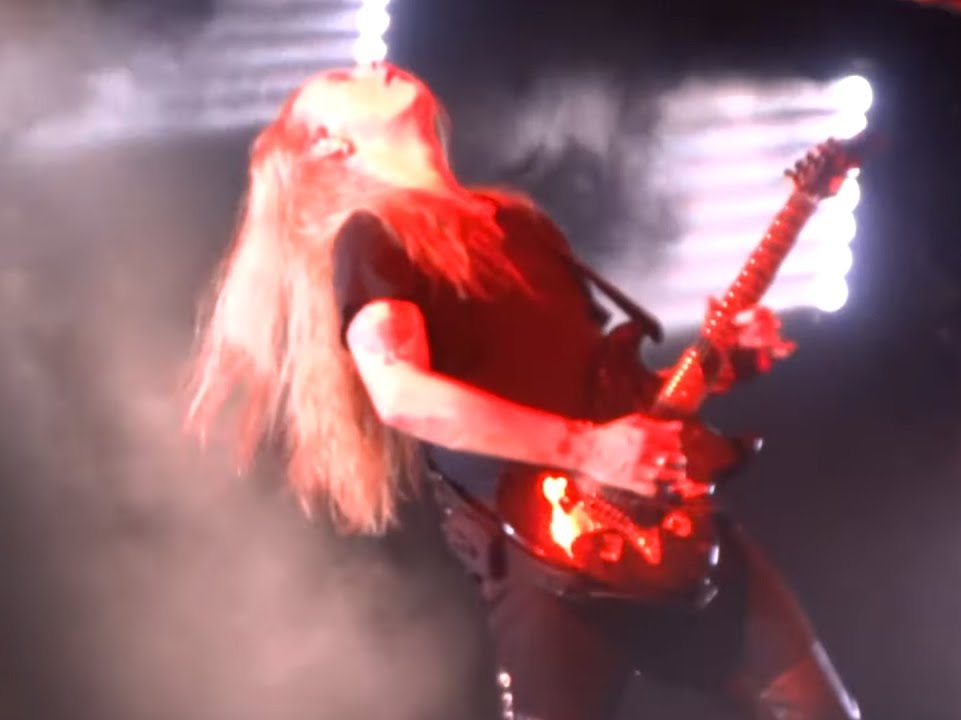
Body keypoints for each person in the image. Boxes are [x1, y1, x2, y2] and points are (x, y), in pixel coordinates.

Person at [185, 61, 860, 720]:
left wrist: (717, 368)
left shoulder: (520, 224)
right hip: (543, 554)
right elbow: (400, 393)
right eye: (342, 80)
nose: (372, 67)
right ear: (328, 143)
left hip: (665, 530)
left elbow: (605, 397)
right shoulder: (374, 236)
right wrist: (587, 450)